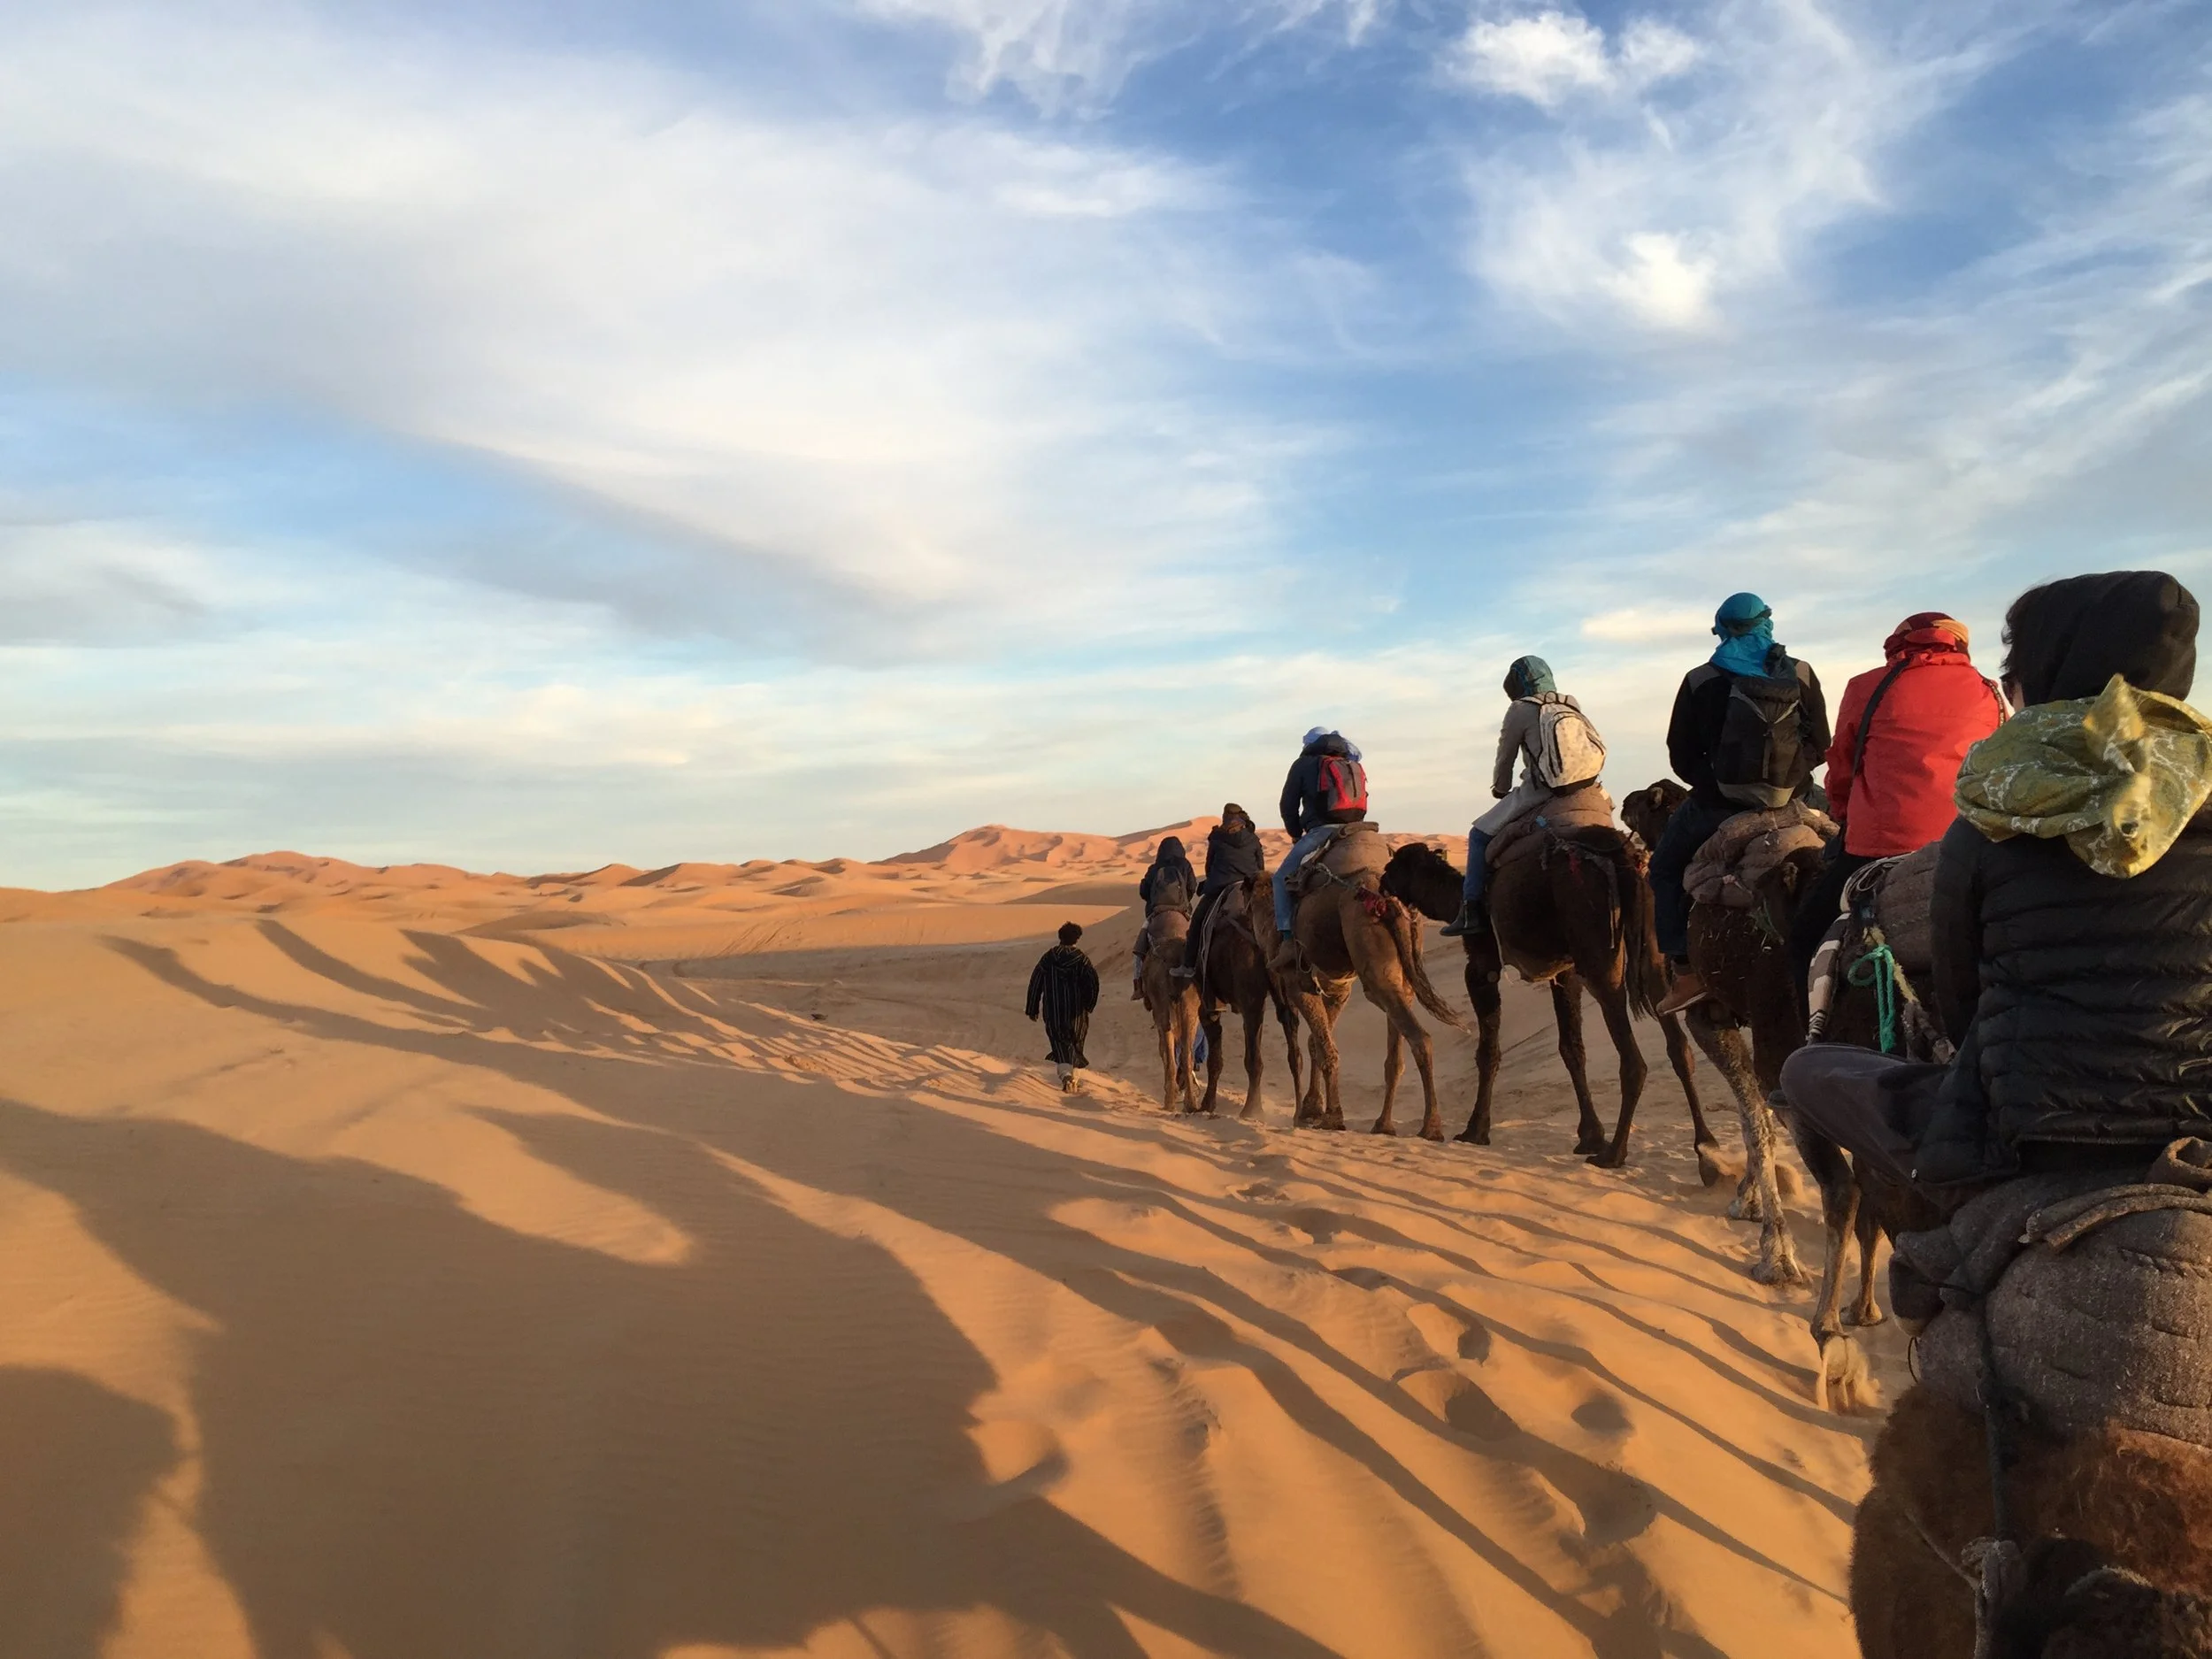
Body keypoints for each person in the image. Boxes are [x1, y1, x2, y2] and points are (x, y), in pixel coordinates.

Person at [1779, 571, 2212, 1203]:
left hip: (2031, 1136)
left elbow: (1962, 1006)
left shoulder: (1987, 823)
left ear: (2047, 679)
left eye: (2017, 674)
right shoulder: (1978, 689)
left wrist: (1846, 819)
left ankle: (1725, 984)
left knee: (1806, 1041)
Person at [1786, 613, 2007, 988]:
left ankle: (1808, 1021)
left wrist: (1843, 815)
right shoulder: (1990, 691)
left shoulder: (1868, 686)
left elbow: (1842, 766)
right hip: (1964, 844)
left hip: (1880, 846)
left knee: (1804, 940)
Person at [1650, 593, 1831, 1013]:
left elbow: (1681, 756)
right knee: (1846, 851)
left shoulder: (1700, 679)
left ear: (1723, 628)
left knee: (1663, 870)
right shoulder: (1801, 672)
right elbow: (1822, 744)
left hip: (1718, 808)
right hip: (1796, 800)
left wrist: (1719, 788)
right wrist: (1789, 785)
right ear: (1767, 622)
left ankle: (1685, 972)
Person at [1441, 655, 1607, 936]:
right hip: (1589, 787)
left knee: (1478, 837)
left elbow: (1505, 757)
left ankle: (1471, 910)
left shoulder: (1520, 709)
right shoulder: (1570, 704)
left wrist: (1500, 788)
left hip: (1540, 790)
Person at [1271, 727, 1367, 972]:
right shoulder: (1349, 762)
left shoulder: (1303, 764)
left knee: (1280, 879)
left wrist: (1295, 834)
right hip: (1359, 830)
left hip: (1322, 832)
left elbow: (1288, 805)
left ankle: (1288, 941)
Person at [1175, 804, 1265, 979]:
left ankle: (1189, 965)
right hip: (1250, 886)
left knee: (1197, 921)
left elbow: (1209, 868)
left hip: (1222, 886)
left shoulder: (1217, 837)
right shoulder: (1253, 838)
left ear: (1225, 817)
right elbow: (1260, 866)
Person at [1026, 921, 1101, 1093]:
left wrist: (1032, 1008)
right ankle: (1074, 1077)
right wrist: (1089, 1004)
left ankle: (1066, 1075)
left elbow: (1036, 982)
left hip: (1053, 1010)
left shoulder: (1048, 957)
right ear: (1077, 938)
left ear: (1060, 937)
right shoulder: (1081, 959)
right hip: (1076, 1011)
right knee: (1077, 1042)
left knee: (1059, 1043)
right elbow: (1093, 984)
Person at [1129, 834, 1196, 999]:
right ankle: (1206, 984)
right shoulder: (1185, 865)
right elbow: (1192, 887)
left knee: (1140, 948)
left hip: (1157, 912)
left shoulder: (1154, 868)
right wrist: (1183, 901)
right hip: (1182, 912)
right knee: (1199, 941)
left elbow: (1143, 892)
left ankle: (1138, 985)